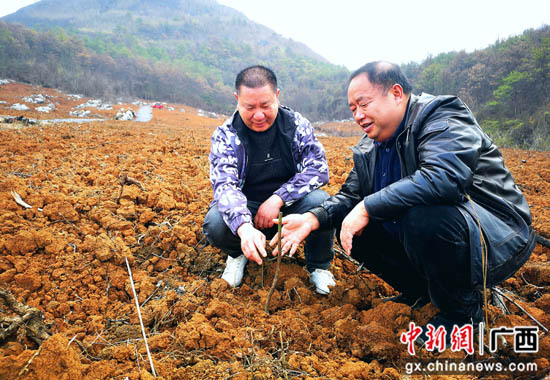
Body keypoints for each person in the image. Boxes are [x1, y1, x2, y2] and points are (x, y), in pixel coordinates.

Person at [270, 61, 536, 340]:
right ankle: (423, 293)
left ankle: (462, 316)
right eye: (353, 109)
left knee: (422, 216)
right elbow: (350, 196)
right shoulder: (369, 146)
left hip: (496, 237)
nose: (358, 115)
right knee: (353, 229)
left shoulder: (441, 115)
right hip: (447, 234)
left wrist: (367, 206)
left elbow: (445, 177)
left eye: (364, 104)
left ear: (396, 93)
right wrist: (313, 218)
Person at [203, 65, 336, 294]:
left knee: (323, 203)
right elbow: (225, 186)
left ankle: (319, 265)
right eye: (249, 107)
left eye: (265, 106)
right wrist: (244, 227)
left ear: (277, 96)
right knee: (215, 222)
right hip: (247, 208)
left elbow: (318, 168)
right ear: (237, 99)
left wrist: (278, 198)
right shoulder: (226, 135)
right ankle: (238, 254)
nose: (258, 115)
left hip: (290, 208)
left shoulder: (296, 125)